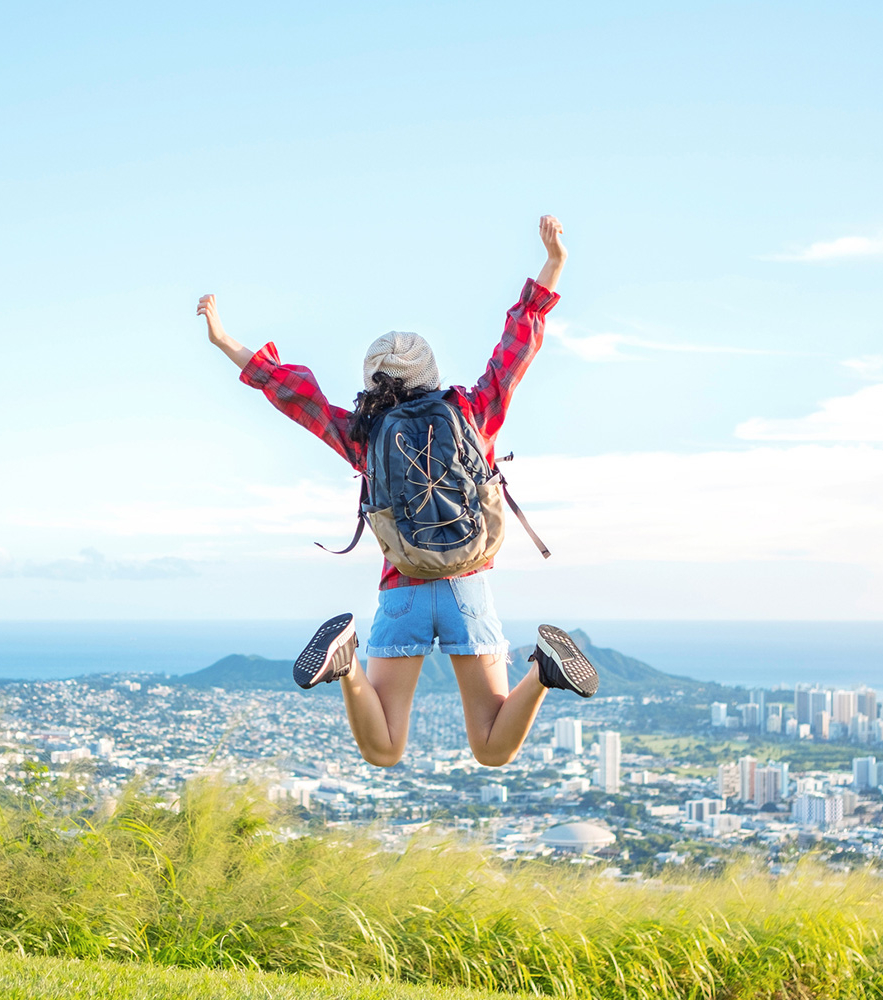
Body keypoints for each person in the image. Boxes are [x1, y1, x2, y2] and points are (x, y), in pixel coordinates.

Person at [197, 215, 597, 768]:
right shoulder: (472, 414)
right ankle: (544, 669)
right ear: (430, 373)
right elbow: (515, 350)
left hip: (401, 587)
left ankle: (346, 663)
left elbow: (296, 397)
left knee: (385, 749)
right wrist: (552, 266)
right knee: (492, 749)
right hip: (468, 585)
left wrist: (224, 341)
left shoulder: (365, 436)